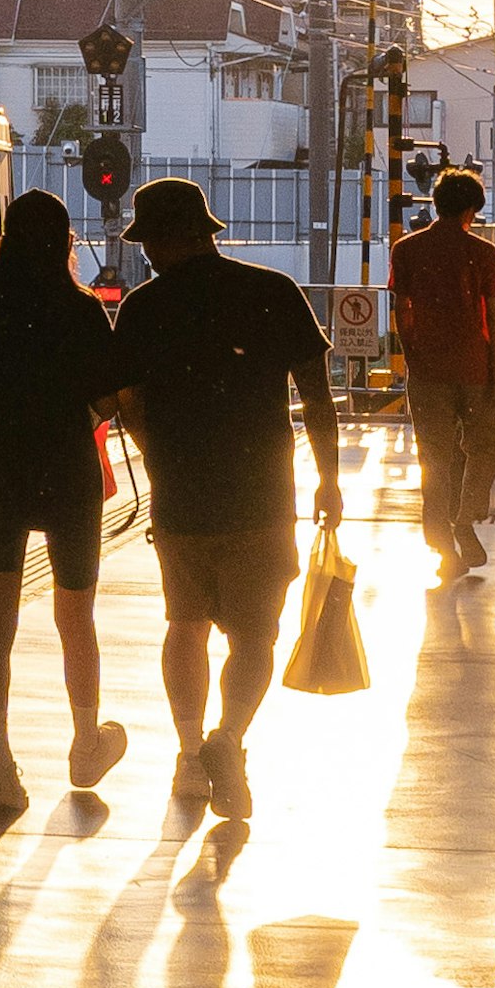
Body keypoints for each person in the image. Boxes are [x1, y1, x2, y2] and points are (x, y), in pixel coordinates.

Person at [97, 177, 341, 819]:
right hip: (262, 493)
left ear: (168, 239)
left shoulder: (145, 307)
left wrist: (153, 448)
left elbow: (120, 401)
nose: (145, 253)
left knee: (185, 623)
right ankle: (227, 738)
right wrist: (330, 479)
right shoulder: (273, 291)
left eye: (149, 240)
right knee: (256, 636)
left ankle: (187, 756)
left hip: (182, 495)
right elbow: (317, 396)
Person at [0, 191, 130, 824]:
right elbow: (109, 396)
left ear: (6, 239)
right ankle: (84, 745)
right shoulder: (80, 309)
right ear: (66, 241)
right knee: (76, 617)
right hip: (68, 477)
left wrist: (6, 373)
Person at [391, 162, 495, 576]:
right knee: (485, 448)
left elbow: (401, 311)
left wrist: (413, 357)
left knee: (435, 459)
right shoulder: (483, 253)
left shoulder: (405, 250)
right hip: (475, 368)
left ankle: (442, 545)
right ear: (470, 212)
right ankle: (464, 518)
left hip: (426, 372)